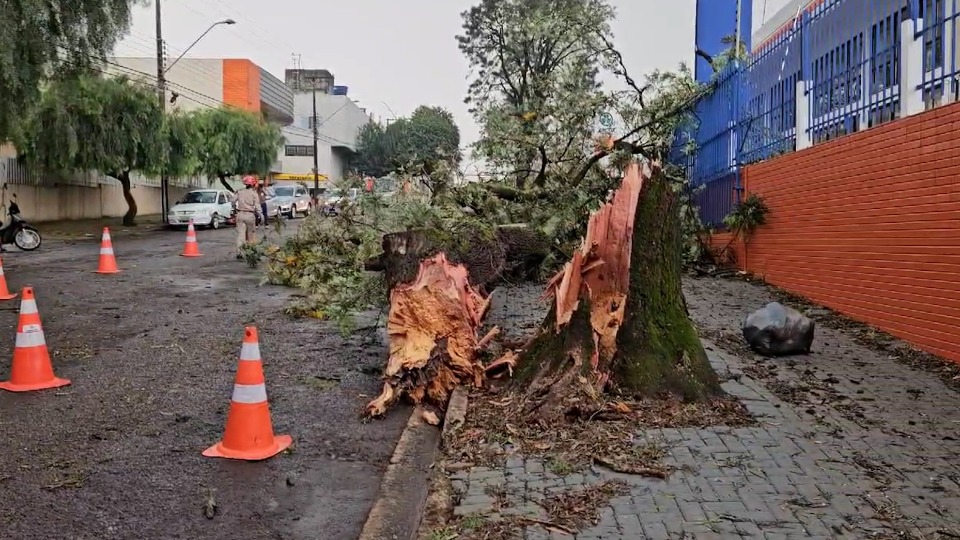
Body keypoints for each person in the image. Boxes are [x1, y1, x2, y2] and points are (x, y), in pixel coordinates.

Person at [233, 175, 262, 259]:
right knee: (251, 235)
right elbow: (257, 206)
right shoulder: (254, 193)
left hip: (240, 214)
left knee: (240, 235)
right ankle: (251, 252)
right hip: (250, 215)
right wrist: (261, 215)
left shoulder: (239, 191)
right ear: (252, 184)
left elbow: (233, 201)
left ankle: (240, 252)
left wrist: (234, 209)